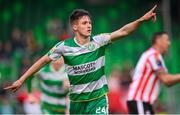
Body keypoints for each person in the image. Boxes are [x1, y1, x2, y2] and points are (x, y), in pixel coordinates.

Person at [5, 6, 157, 114]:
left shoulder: (99, 41)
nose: (89, 25)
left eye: (90, 22)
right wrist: (21, 80)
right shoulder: (63, 47)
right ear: (75, 27)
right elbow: (41, 62)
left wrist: (142, 20)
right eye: (84, 23)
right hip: (77, 103)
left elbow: (124, 31)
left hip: (98, 99)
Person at [127, 32, 180, 114]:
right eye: (167, 40)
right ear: (158, 40)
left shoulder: (152, 55)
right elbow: (166, 80)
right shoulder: (154, 55)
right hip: (139, 100)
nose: (169, 44)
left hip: (141, 101)